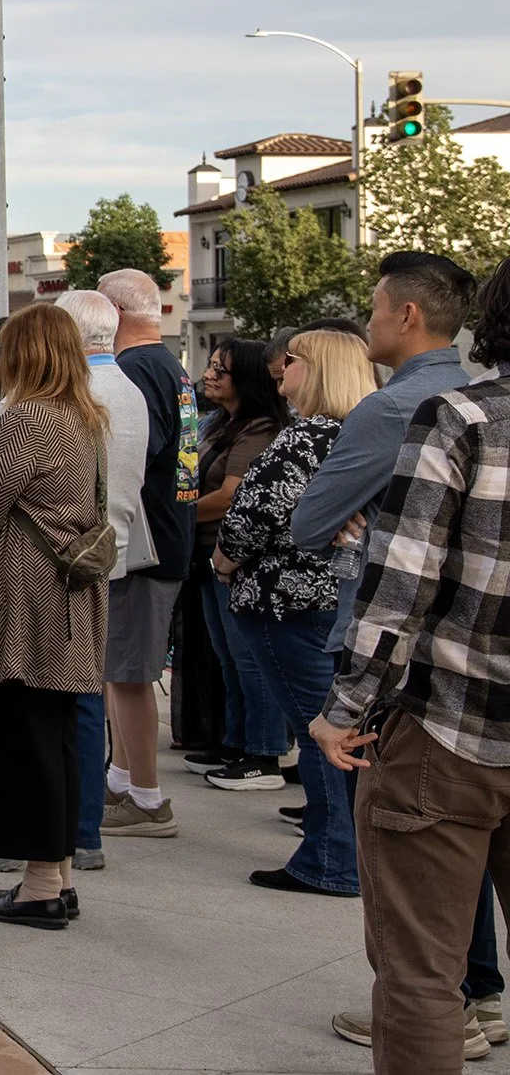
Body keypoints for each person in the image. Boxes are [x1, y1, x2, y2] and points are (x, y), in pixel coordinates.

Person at [312, 258, 510, 1074]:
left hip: (450, 727)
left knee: (422, 975)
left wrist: (345, 708)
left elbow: (399, 589)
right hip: (455, 719)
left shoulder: (460, 418)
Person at [211, 329, 374, 898]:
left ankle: (331, 860)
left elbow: (256, 511)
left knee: (319, 731)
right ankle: (343, 853)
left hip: (289, 600)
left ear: (319, 369)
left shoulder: (307, 438)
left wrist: (224, 560)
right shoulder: (360, 435)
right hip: (330, 598)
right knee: (337, 727)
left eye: (292, 360)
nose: (281, 369)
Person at [0, 303, 110, 931]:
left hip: (25, 595)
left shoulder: (24, 418)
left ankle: (39, 885)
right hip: (74, 594)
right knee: (55, 737)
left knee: (21, 739)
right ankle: (60, 876)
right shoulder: (85, 416)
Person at [296, 252, 478, 654]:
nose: (368, 323)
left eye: (374, 308)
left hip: (376, 630)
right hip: (450, 627)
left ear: (407, 315)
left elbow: (308, 525)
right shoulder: (472, 394)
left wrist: (347, 520)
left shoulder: (389, 408)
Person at [94, 269, 202, 841]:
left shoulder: (135, 369)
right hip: (166, 536)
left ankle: (148, 798)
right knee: (121, 673)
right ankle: (121, 779)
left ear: (114, 314)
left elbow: (136, 452)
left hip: (145, 547)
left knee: (129, 675)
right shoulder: (170, 364)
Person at [53, 290, 151, 871]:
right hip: (101, 553)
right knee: (86, 694)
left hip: (68, 559)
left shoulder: (81, 392)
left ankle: (78, 827)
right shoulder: (129, 389)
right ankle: (84, 827)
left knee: (74, 699)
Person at [181, 339, 294, 780]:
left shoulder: (260, 428)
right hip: (209, 554)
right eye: (209, 367)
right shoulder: (219, 423)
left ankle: (263, 752)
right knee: (225, 654)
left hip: (239, 557)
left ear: (244, 379)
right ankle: (235, 741)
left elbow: (231, 496)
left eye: (219, 370)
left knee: (247, 656)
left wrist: (179, 517)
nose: (208, 376)